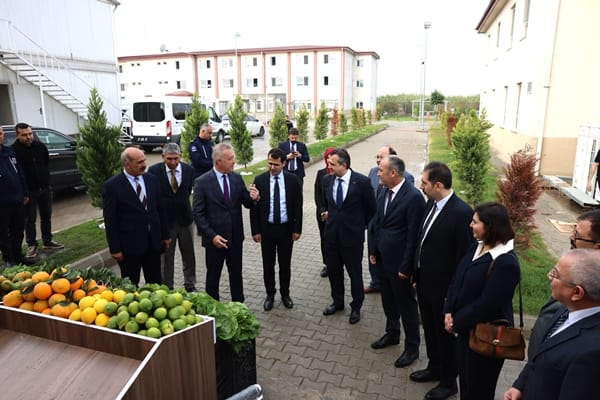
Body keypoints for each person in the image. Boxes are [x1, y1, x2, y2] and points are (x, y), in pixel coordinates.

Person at [410, 161, 474, 400]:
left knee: (446, 337)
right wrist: (416, 273)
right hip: (425, 284)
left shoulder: (461, 213)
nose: (421, 186)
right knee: (431, 331)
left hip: (445, 291)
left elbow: (463, 259)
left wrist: (453, 295)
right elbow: (423, 241)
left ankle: (449, 382)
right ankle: (434, 367)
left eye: (425, 183)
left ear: (438, 185)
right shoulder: (431, 203)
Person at [444, 202, 520, 400]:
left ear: (490, 226)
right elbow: (457, 277)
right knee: (466, 385)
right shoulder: (477, 246)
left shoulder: (506, 263)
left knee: (479, 390)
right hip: (464, 331)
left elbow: (487, 304)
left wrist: (457, 322)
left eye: (475, 222)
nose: (470, 225)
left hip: (485, 338)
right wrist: (448, 311)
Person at [504, 248, 600, 400]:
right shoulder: (565, 309)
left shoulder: (593, 352)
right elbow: (540, 355)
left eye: (555, 274)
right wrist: (520, 386)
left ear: (577, 293)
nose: (549, 276)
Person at [368, 155, 425, 368]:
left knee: (406, 305)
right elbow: (378, 222)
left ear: (393, 173)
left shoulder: (413, 197)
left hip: (400, 264)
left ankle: (412, 348)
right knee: (388, 300)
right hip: (382, 257)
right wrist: (373, 250)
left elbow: (413, 236)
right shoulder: (383, 189)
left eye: (381, 169)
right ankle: (392, 333)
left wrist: (407, 266)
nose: (377, 172)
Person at [527, 209, 600, 358]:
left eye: (578, 236)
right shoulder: (573, 267)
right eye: (573, 230)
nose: (570, 237)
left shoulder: (592, 287)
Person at [192, 143, 260, 302]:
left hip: (235, 238)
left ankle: (239, 306)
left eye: (233, 157)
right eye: (230, 159)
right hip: (215, 241)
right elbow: (198, 213)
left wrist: (255, 198)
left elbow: (246, 203)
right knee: (213, 276)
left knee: (236, 274)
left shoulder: (236, 177)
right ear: (218, 162)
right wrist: (212, 236)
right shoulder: (202, 182)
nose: (233, 161)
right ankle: (213, 309)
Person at [320, 148, 376, 324]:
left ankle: (356, 306)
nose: (328, 167)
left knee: (355, 274)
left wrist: (359, 225)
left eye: (332, 164)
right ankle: (337, 302)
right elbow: (324, 201)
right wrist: (324, 212)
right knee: (334, 272)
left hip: (352, 238)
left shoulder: (362, 182)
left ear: (344, 165)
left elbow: (371, 209)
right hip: (331, 237)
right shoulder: (326, 180)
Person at [103, 147, 171, 285]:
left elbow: (160, 210)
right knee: (130, 285)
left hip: (153, 244)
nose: (144, 165)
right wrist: (115, 248)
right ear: (127, 164)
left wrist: (165, 235)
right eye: (139, 162)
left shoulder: (152, 180)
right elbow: (110, 220)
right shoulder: (113, 186)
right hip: (129, 248)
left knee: (155, 283)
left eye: (144, 160)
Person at [250, 148, 303, 311]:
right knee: (268, 264)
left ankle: (285, 294)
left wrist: (297, 228)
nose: (272, 168)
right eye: (270, 164)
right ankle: (270, 294)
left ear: (283, 164)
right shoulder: (260, 180)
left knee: (285, 264)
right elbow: (254, 207)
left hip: (286, 230)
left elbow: (297, 206)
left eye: (276, 164)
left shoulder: (293, 180)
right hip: (267, 229)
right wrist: (255, 230)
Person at [365, 145, 415, 294]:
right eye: (377, 157)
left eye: (382, 157)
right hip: (375, 222)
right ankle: (376, 282)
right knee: (373, 255)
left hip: (393, 229)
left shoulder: (408, 179)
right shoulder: (373, 173)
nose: (378, 161)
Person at [147, 143, 197, 292]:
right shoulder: (154, 171)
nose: (173, 162)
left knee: (188, 254)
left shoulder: (189, 170)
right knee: (167, 256)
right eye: (169, 159)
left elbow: (188, 191)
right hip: (166, 223)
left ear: (180, 156)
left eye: (176, 158)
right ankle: (167, 287)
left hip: (185, 220)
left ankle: (190, 284)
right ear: (163, 157)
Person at [12, 122, 63, 261]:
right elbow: (16, 173)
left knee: (46, 216)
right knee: (30, 219)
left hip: (44, 188)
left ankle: (47, 240)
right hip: (29, 192)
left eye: (30, 134)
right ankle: (32, 244)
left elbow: (45, 163)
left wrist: (46, 181)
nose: (28, 137)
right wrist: (24, 192)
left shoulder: (40, 146)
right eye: (24, 135)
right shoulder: (14, 151)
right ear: (17, 136)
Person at [0, 126, 31, 267]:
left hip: (17, 198)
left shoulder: (9, 152)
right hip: (2, 202)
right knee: (3, 232)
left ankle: (18, 255)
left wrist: (24, 192)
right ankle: (9, 259)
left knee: (18, 229)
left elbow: (20, 173)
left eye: (0, 133)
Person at [314, 147, 335, 278]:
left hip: (337, 215)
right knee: (325, 239)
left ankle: (338, 263)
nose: (329, 160)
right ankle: (327, 264)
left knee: (337, 240)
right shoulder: (321, 174)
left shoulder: (340, 173)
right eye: (327, 157)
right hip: (323, 215)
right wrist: (322, 211)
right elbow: (318, 195)